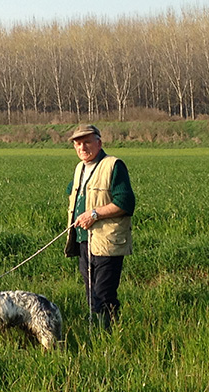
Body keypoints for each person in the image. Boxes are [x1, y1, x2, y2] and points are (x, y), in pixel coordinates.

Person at [64, 124, 136, 330]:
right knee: (90, 293)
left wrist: (94, 214)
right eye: (78, 143)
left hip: (107, 241)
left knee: (104, 294)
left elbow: (126, 203)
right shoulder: (79, 168)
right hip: (83, 241)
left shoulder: (113, 165)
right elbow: (73, 191)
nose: (82, 147)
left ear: (99, 142)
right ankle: (95, 331)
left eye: (87, 142)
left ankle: (108, 335)